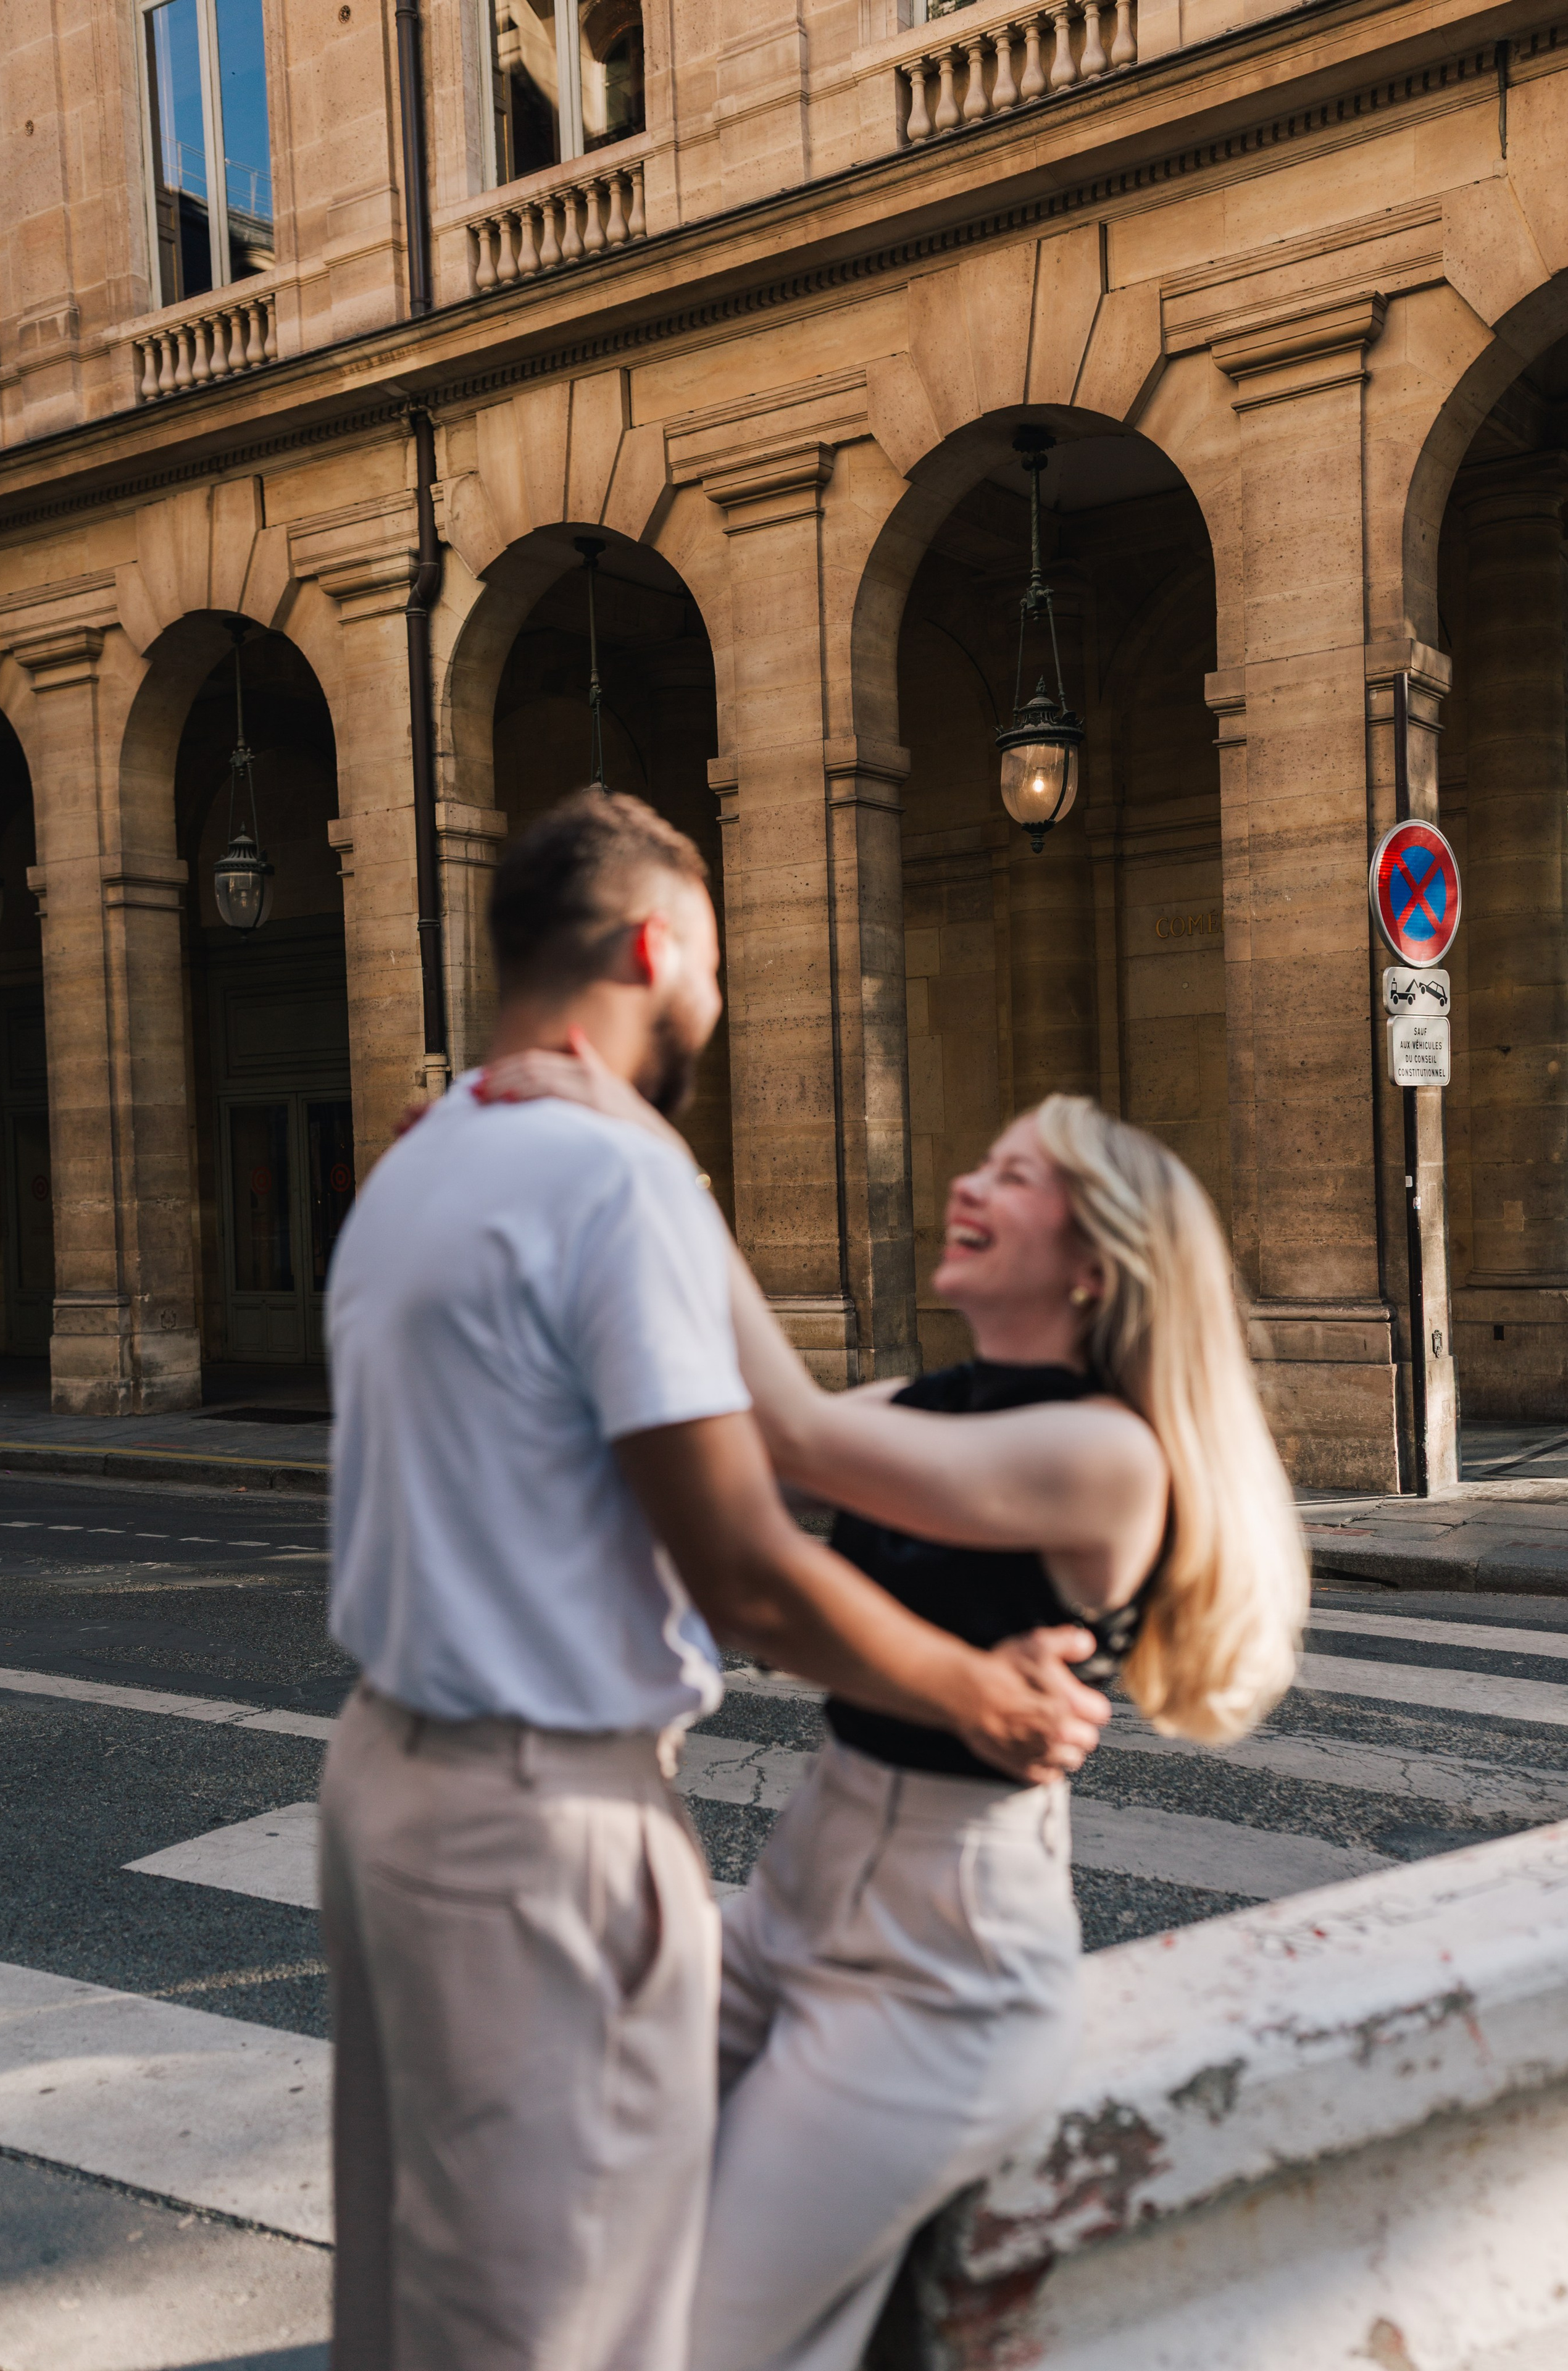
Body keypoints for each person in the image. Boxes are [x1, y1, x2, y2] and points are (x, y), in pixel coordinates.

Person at [318, 787, 1113, 2371]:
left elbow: (791, 1441)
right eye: (716, 972)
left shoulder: (413, 1168)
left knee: (407, 2310)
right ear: (652, 945)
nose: (721, 1010)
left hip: (384, 1793)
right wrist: (980, 1691)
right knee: (574, 2333)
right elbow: (746, 1571)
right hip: (540, 1829)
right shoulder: (611, 1185)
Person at [475, 1039, 1310, 2371]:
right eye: (982, 1161)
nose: (969, 1184)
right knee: (576, 2229)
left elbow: (790, 1434)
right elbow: (737, 1475)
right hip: (791, 1905)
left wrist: (653, 1166)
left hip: (937, 1980)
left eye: (1016, 1175)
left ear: (1092, 1263)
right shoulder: (936, 1402)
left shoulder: (1105, 1455)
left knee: (694, 2344)